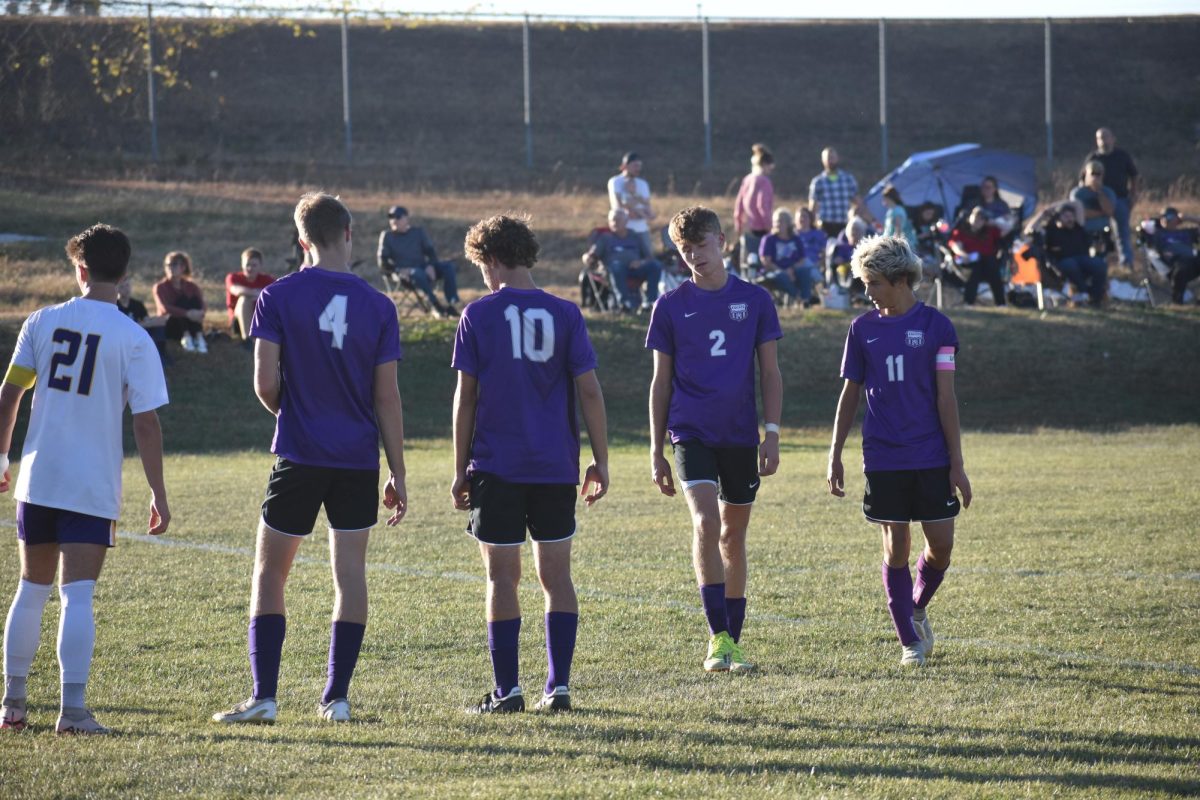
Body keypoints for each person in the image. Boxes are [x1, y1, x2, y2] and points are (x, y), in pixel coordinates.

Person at [213, 193, 408, 726]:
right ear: (350, 232)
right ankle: (336, 699)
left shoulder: (276, 296)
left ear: (302, 240)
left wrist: (296, 412)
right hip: (357, 460)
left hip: (299, 454)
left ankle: (264, 697)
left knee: (270, 572)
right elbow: (387, 398)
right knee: (350, 576)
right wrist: (398, 469)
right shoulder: (379, 305)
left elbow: (265, 384)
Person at [1, 224, 170, 734]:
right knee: (76, 594)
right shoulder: (134, 338)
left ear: (80, 270)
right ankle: (72, 711)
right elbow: (145, 421)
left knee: (31, 589)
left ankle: (12, 704)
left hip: (39, 476)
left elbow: (11, 394)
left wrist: (0, 458)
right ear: (125, 276)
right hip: (91, 483)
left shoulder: (41, 321)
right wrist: (159, 494)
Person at [451, 215, 609, 714]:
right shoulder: (566, 314)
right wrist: (600, 460)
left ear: (492, 259)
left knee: (502, 578)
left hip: (497, 466)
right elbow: (589, 390)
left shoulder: (478, 315)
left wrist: (459, 471)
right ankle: (558, 687)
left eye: (480, 265)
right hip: (554, 467)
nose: (482, 275)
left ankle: (507, 691)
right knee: (556, 578)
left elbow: (465, 399)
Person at [647, 206, 783, 675]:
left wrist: (772, 433)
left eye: (700, 247)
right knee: (706, 523)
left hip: (741, 435)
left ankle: (734, 642)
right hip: (690, 431)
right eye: (684, 251)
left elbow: (770, 371)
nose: (693, 257)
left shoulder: (756, 300)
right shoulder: (669, 305)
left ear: (722, 241)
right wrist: (655, 448)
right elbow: (660, 383)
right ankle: (717, 636)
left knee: (733, 533)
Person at [826, 235, 971, 668]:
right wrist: (835, 452)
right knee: (896, 547)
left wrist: (957, 464)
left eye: (873, 283)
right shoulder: (862, 329)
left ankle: (917, 606)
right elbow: (849, 395)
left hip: (931, 455)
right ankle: (909, 641)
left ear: (901, 280)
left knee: (941, 546)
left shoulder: (937, 327)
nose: (867, 293)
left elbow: (946, 400)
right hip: (884, 456)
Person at [376, 205, 460, 317]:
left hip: (422, 267)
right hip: (402, 273)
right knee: (417, 273)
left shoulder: (418, 233)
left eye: (398, 217)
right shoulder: (387, 236)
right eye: (391, 218)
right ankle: (435, 305)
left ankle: (452, 303)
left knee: (448, 266)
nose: (394, 220)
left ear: (406, 218)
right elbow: (382, 262)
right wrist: (397, 270)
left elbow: (430, 252)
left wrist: (430, 265)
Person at [1025, 201, 1107, 306]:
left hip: (1083, 258)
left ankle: (1095, 298)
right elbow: (1029, 230)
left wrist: (1057, 205)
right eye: (1066, 216)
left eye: (1071, 216)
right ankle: (1083, 293)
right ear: (1058, 218)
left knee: (1099, 265)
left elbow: (1077, 205)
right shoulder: (1051, 230)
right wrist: (1043, 214)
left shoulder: (1078, 227)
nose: (1069, 218)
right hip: (1061, 262)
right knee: (1071, 264)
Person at [582, 208, 663, 313]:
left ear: (626, 222)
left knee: (655, 265)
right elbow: (591, 256)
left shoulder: (635, 236)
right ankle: (624, 304)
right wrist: (586, 257)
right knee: (617, 266)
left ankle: (649, 303)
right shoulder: (605, 238)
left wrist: (640, 262)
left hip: (635, 269)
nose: (614, 223)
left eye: (618, 220)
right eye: (612, 220)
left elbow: (649, 257)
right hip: (613, 271)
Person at [1082, 128, 1139, 266]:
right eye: (1100, 138)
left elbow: (1134, 176)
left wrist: (1133, 195)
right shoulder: (1093, 158)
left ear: (1113, 139)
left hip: (1120, 199)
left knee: (1122, 232)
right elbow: (1082, 180)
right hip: (1098, 202)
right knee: (1092, 232)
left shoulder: (1122, 156)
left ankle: (1126, 263)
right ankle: (1093, 261)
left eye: (1106, 137)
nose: (1103, 141)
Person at [948, 208, 1006, 306]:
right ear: (969, 218)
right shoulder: (961, 231)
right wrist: (964, 255)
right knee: (975, 269)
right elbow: (956, 247)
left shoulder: (990, 231)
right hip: (967, 264)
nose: (978, 221)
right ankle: (968, 303)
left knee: (992, 265)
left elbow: (1007, 229)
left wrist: (994, 222)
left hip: (988, 265)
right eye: (976, 217)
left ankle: (1001, 303)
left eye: (981, 219)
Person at [732, 143, 775, 275]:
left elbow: (739, 205)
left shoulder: (748, 179)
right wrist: (770, 228)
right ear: (766, 165)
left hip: (748, 228)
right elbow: (762, 206)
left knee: (749, 263)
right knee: (764, 264)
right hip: (762, 229)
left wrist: (738, 226)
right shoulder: (764, 181)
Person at [153, 250, 208, 354]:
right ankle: (186, 337)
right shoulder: (160, 287)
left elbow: (201, 303)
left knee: (192, 300)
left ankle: (198, 336)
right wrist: (187, 313)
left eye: (174, 265)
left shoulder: (192, 286)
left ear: (183, 267)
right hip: (171, 324)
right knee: (180, 301)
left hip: (192, 322)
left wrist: (200, 313)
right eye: (167, 265)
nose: (170, 268)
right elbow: (165, 308)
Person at [607, 151, 656, 257]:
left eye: (639, 166)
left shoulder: (643, 184)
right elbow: (619, 205)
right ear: (625, 166)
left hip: (642, 228)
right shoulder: (615, 181)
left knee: (649, 258)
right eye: (635, 165)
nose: (638, 169)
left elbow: (648, 207)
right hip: (624, 230)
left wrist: (641, 212)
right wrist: (640, 213)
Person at [116, 274, 170, 365]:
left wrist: (153, 321)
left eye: (127, 286)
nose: (126, 289)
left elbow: (146, 320)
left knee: (158, 327)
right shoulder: (115, 305)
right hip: (125, 336)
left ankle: (161, 354)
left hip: (140, 332)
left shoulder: (137, 304)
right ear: (116, 289)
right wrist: (141, 324)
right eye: (122, 287)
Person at [225, 248, 275, 347]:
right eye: (247, 264)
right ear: (242, 264)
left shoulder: (267, 280)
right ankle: (248, 340)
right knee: (244, 299)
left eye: (254, 265)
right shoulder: (233, 277)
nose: (250, 268)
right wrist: (257, 293)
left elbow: (277, 295)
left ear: (260, 266)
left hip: (259, 320)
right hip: (238, 323)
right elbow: (236, 290)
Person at [1150, 207, 1200, 304]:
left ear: (1177, 219)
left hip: (1192, 262)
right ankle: (1177, 301)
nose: (1165, 219)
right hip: (1172, 264)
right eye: (1163, 216)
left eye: (1169, 216)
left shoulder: (1187, 232)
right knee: (1181, 267)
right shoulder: (1157, 233)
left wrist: (1188, 218)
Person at [809, 147, 861, 239]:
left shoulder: (848, 179)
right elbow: (813, 206)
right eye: (828, 158)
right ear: (823, 160)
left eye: (832, 157)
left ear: (837, 158)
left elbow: (857, 201)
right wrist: (811, 224)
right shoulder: (818, 182)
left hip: (844, 224)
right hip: (825, 226)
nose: (830, 160)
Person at [756, 209, 803, 306]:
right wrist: (784, 271)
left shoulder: (796, 239)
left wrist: (792, 270)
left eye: (781, 221)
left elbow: (802, 259)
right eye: (776, 221)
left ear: (788, 223)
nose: (777, 224)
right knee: (781, 275)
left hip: (793, 270)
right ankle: (799, 298)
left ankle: (806, 299)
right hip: (773, 271)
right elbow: (766, 261)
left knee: (805, 272)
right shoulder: (768, 239)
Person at [1070, 160, 1118, 238]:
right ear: (1086, 175)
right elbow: (1081, 212)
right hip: (1083, 232)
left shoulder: (1108, 192)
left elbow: (1109, 211)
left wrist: (1099, 192)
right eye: (1093, 174)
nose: (1095, 177)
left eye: (1098, 174)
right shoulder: (1077, 192)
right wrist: (1102, 213)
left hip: (1103, 232)